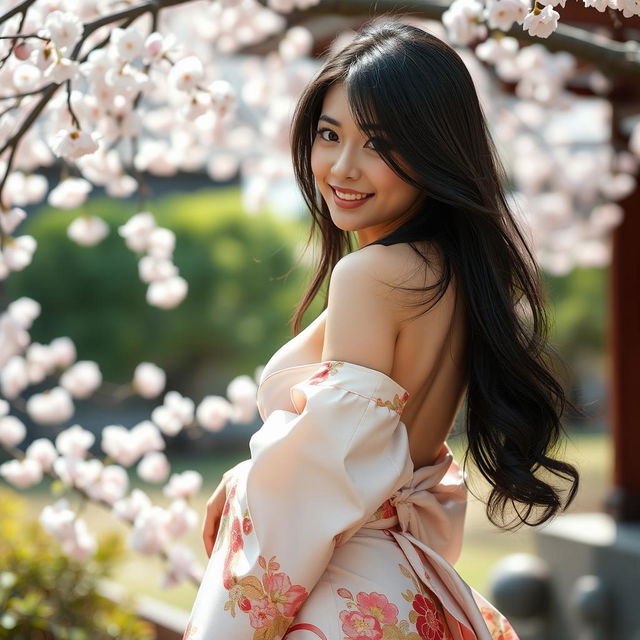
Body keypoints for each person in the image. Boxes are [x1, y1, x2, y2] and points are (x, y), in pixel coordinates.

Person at [184, 21, 579, 640]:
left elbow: (324, 475)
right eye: (328, 135)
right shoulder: (456, 270)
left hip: (336, 597)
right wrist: (250, 476)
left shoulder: (369, 275)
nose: (342, 168)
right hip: (408, 590)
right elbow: (373, 458)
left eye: (379, 145)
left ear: (434, 150)